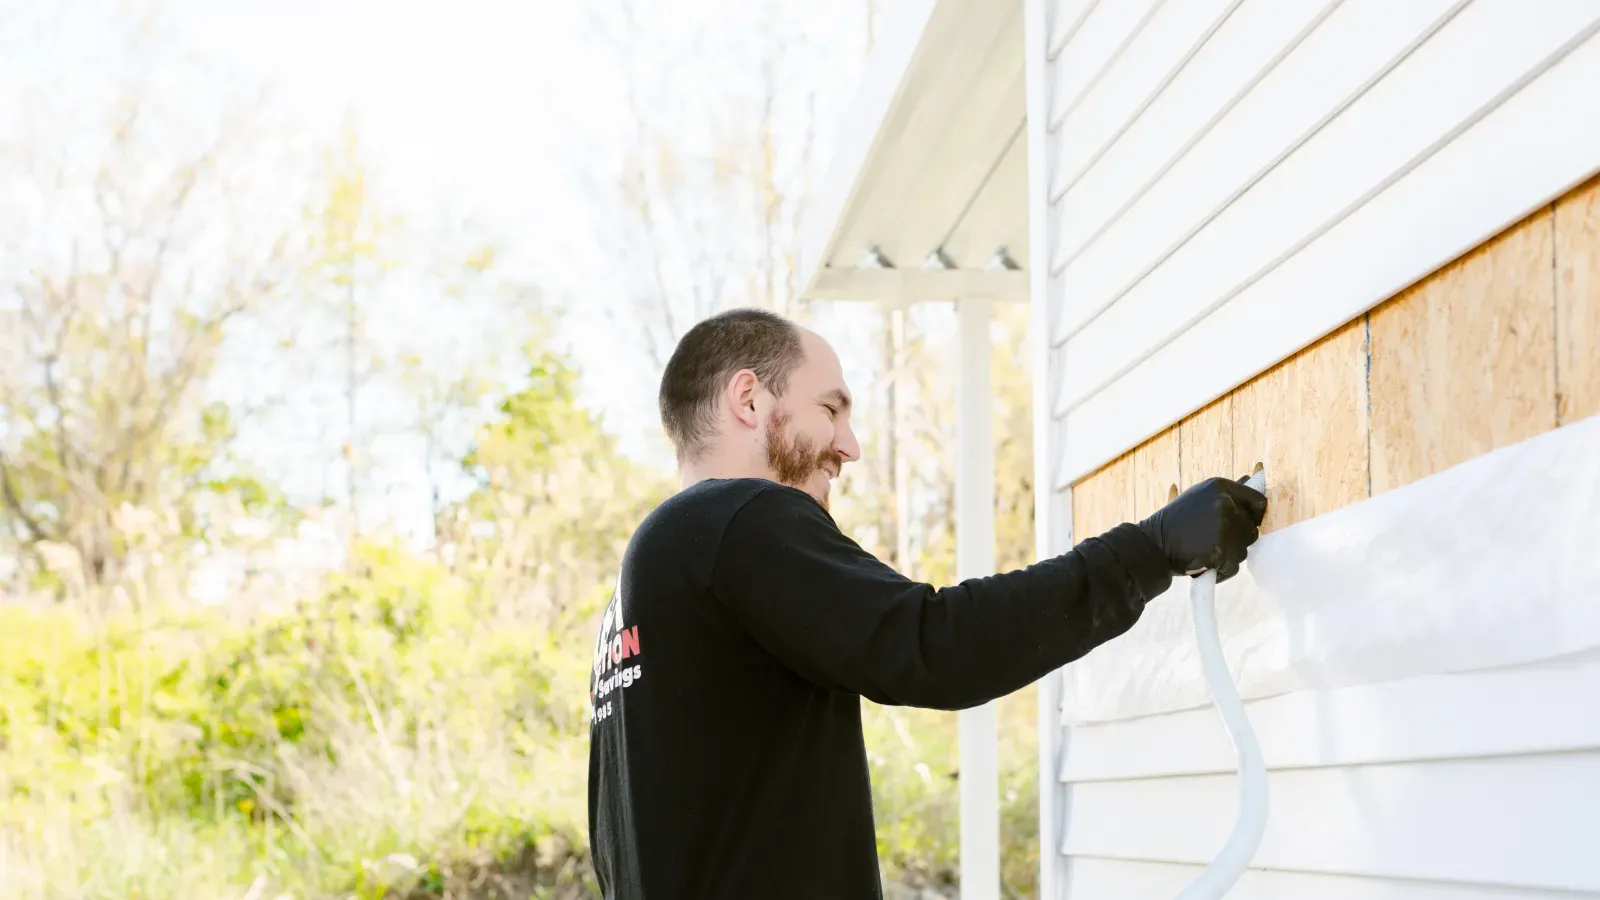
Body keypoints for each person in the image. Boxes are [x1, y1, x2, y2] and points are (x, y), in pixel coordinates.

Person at [585, 308, 1266, 899]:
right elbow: (935, 645)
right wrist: (1150, 550)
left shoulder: (645, 581)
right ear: (750, 400)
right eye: (831, 408)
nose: (848, 446)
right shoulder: (739, 517)